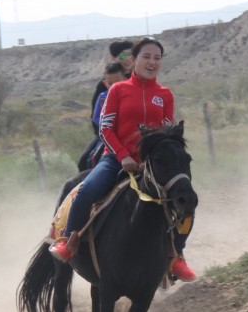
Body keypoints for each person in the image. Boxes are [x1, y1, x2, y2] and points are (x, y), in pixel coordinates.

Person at [51, 37, 197, 282]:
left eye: (157, 58)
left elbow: (165, 132)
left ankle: (176, 255)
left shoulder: (165, 95)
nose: (152, 62)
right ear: (134, 61)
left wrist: (155, 158)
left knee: (187, 200)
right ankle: (69, 241)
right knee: (86, 190)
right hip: (115, 160)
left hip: (151, 164)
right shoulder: (118, 90)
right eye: (146, 57)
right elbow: (105, 129)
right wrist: (124, 157)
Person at [78, 62, 126, 171]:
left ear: (125, 80)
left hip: (127, 133)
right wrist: (107, 125)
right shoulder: (102, 97)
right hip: (106, 135)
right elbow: (95, 118)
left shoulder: (131, 96)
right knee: (86, 159)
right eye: (110, 83)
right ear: (105, 83)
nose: (114, 87)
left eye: (118, 83)